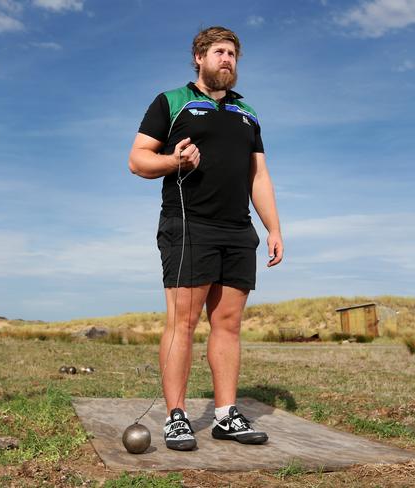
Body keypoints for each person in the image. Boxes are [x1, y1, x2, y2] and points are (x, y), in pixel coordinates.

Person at [128, 26, 283, 451]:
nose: (227, 59)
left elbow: (259, 176)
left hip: (237, 229)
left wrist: (273, 228)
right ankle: (176, 417)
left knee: (228, 325)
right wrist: (172, 160)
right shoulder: (172, 102)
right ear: (199, 57)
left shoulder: (248, 113)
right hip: (187, 224)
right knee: (184, 322)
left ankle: (224, 415)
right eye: (219, 51)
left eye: (233, 53)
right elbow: (138, 159)